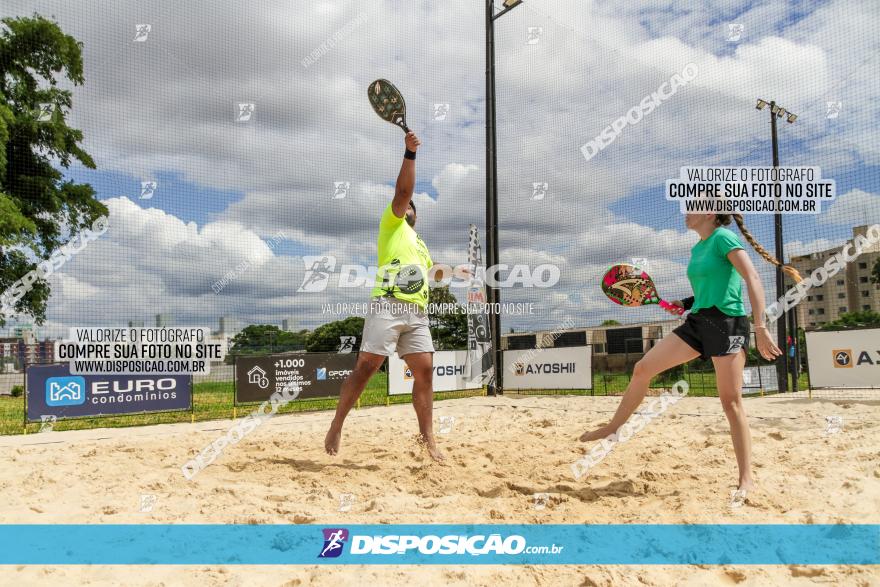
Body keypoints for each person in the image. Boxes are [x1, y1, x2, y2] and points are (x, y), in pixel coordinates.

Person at [579, 212, 801, 497]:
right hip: (698, 322)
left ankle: (746, 478)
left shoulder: (723, 238)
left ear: (709, 212)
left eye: (692, 206)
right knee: (642, 369)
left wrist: (760, 326)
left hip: (727, 324)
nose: (686, 212)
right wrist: (682, 303)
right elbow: (710, 289)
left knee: (731, 403)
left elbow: (752, 276)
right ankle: (614, 427)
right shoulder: (698, 247)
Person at [324, 131, 444, 461]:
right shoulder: (392, 224)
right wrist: (410, 153)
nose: (408, 207)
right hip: (388, 305)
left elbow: (431, 271)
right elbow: (404, 191)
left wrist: (456, 272)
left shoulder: (419, 243)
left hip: (417, 313)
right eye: (405, 205)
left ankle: (428, 438)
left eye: (411, 207)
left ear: (416, 216)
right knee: (366, 367)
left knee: (425, 371)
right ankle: (337, 424)